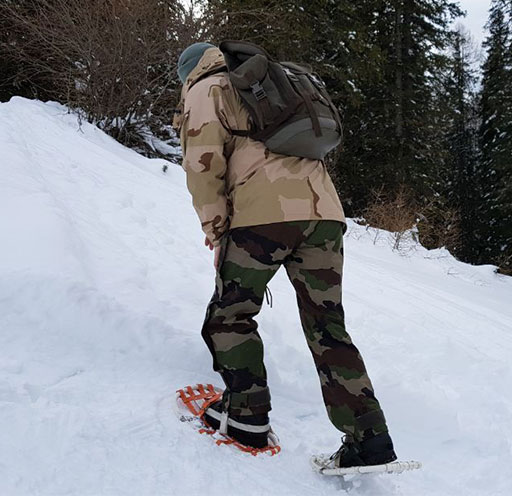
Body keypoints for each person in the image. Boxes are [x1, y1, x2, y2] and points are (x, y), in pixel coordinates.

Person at [173, 42, 397, 467]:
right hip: (325, 214)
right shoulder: (265, 81)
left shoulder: (207, 87)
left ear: (188, 73)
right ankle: (369, 438)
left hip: (265, 216)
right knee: (327, 325)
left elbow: (202, 162)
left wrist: (215, 227)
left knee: (230, 314)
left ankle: (245, 416)